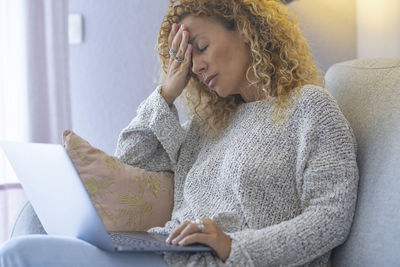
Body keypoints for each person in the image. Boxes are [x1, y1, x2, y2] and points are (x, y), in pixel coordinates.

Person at [0, 0, 359, 266]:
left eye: (200, 47)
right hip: (167, 253)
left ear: (246, 29)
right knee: (20, 252)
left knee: (19, 254)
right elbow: (131, 159)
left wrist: (235, 247)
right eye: (185, 57)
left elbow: (329, 219)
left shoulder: (310, 108)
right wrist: (167, 93)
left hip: (221, 261)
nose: (196, 65)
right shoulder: (209, 124)